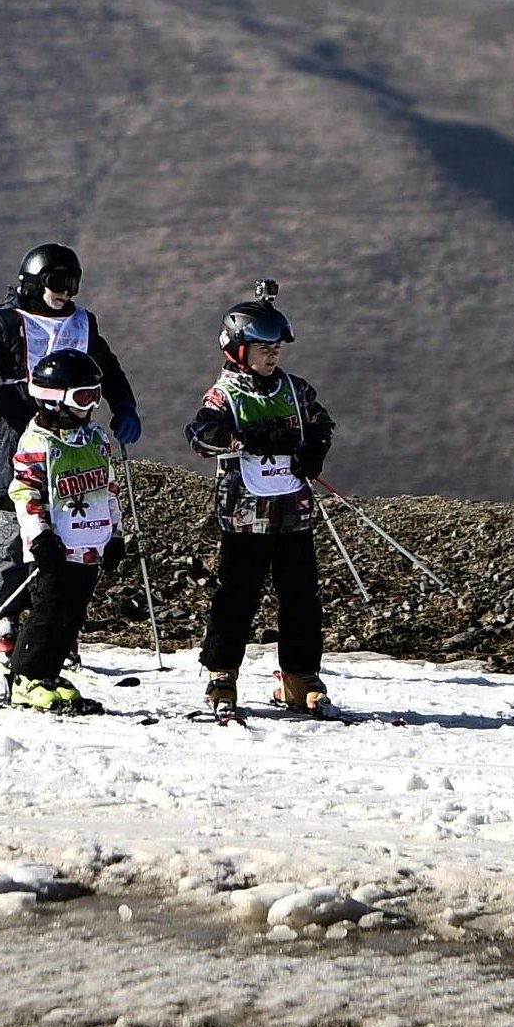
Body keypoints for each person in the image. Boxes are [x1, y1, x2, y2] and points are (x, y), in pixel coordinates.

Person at [0, 242, 141, 657]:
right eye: (57, 283)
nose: (66, 293)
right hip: (19, 432)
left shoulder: (84, 324)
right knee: (18, 527)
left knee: (70, 525)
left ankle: (55, 624)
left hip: (72, 436)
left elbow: (109, 368)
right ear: (34, 282)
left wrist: (123, 405)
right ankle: (7, 620)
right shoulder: (7, 323)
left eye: (73, 284)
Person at [183, 284, 339, 719]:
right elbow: (201, 436)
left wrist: (315, 450)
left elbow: (322, 422)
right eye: (262, 348)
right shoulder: (226, 393)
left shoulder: (295, 388)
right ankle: (221, 671)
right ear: (237, 349)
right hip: (245, 517)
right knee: (237, 595)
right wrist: (249, 438)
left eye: (276, 348)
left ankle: (300, 675)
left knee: (301, 596)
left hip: (294, 513)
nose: (272, 356)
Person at [3, 349, 122, 714]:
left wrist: (115, 533)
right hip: (55, 547)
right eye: (84, 396)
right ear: (55, 400)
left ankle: (49, 674)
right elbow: (24, 492)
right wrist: (39, 536)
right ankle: (25, 678)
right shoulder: (38, 442)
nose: (92, 404)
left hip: (89, 544)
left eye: (96, 394)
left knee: (73, 613)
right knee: (49, 611)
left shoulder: (94, 439)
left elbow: (109, 488)